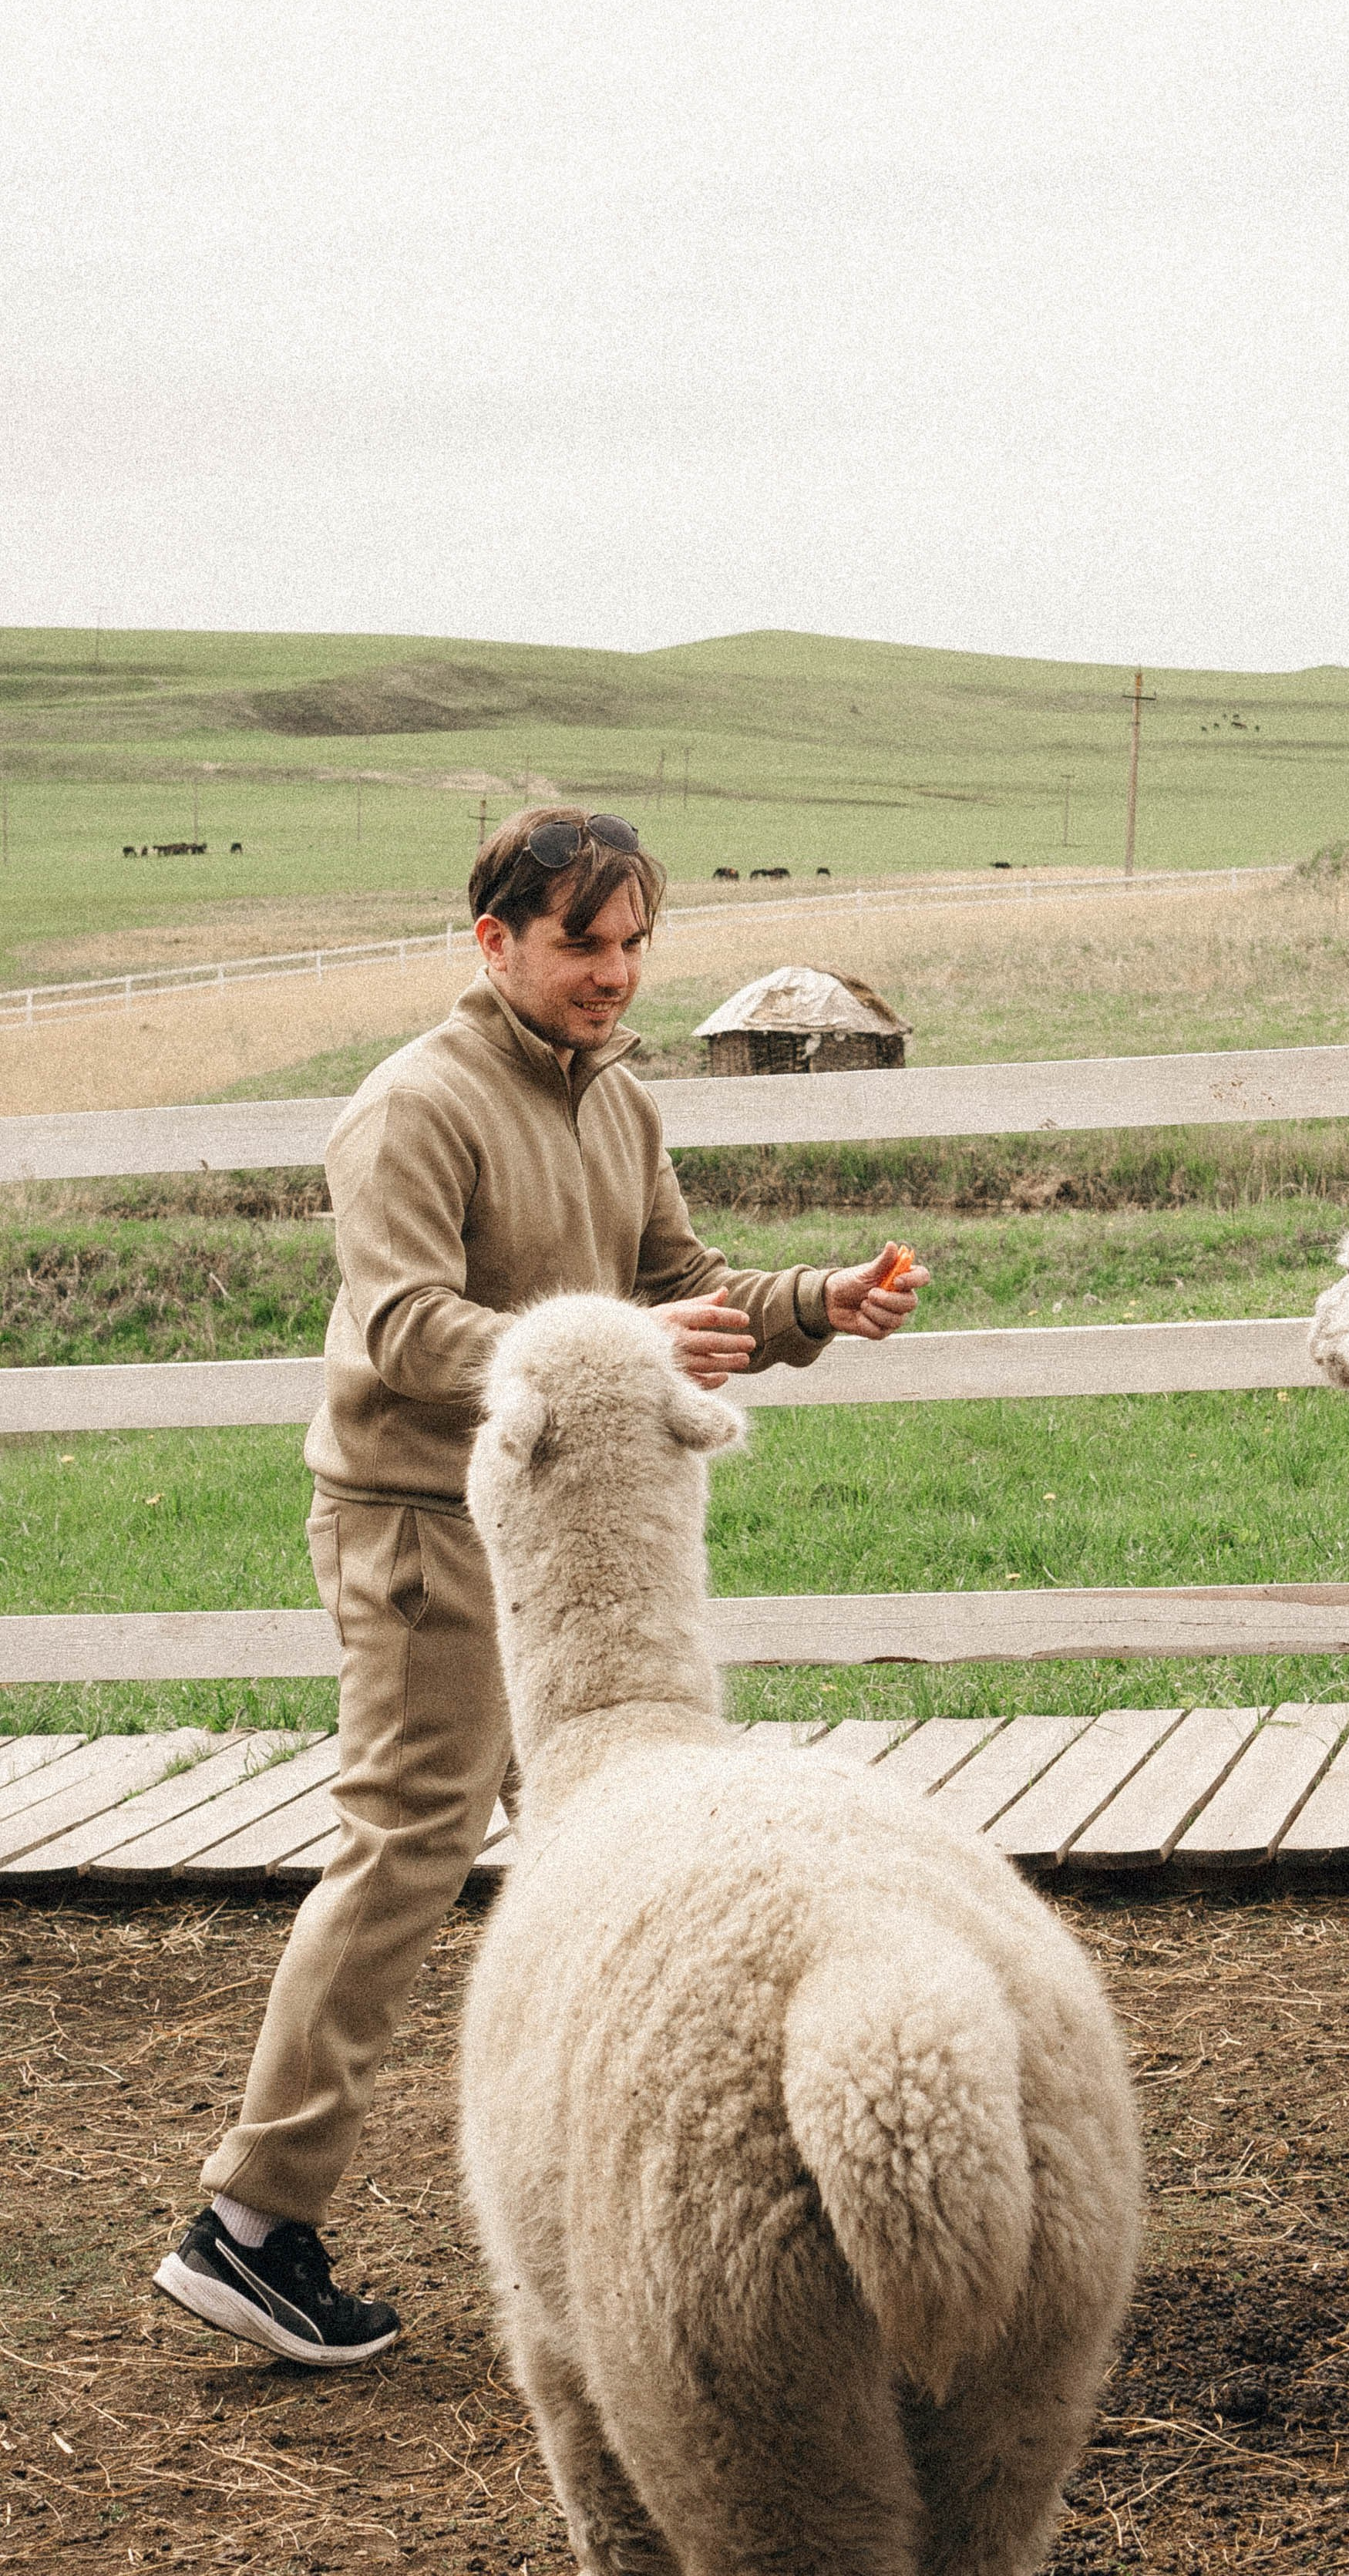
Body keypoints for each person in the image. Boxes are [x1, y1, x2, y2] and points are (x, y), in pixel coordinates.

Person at [153, 807, 925, 2367]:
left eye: (635, 943)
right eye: (586, 942)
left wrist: (805, 1303)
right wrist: (614, 1349)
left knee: (590, 1842)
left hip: (562, 1526)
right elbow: (401, 1326)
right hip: (424, 1524)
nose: (617, 974)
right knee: (407, 1851)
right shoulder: (411, 1108)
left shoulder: (614, 1095)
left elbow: (671, 1286)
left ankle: (632, 2190)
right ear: (493, 940)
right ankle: (247, 2224)